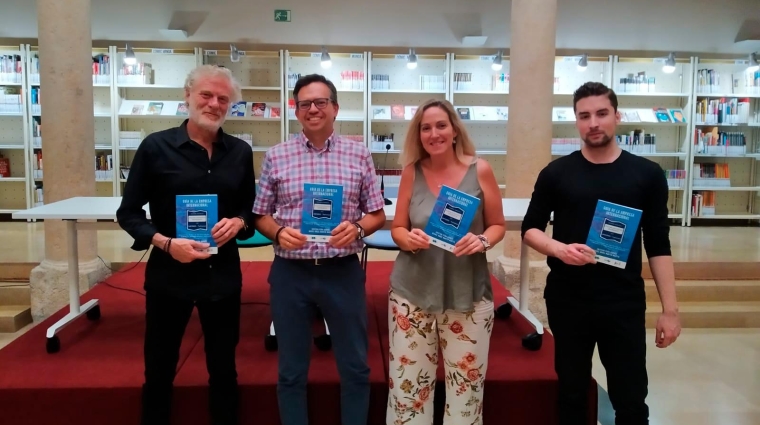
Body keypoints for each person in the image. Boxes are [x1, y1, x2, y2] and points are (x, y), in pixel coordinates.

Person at [520, 81, 682, 425]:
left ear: (617, 116)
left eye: (601, 113)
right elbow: (530, 229)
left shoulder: (647, 175)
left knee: (631, 397)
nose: (593, 122)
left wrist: (670, 310)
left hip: (622, 301)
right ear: (576, 121)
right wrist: (559, 249)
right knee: (572, 393)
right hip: (568, 300)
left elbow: (658, 244)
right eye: (584, 116)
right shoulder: (556, 173)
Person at [116, 64, 256, 425]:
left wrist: (239, 221)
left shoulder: (240, 152)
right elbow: (128, 213)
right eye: (206, 95)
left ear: (231, 106)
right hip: (169, 276)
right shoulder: (155, 147)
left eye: (223, 98)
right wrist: (164, 243)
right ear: (188, 96)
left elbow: (249, 209)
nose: (214, 103)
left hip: (221, 275)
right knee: (160, 369)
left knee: (224, 369)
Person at [252, 73, 386, 425]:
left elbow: (376, 214)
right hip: (290, 273)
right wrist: (278, 233)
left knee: (355, 366)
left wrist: (357, 228)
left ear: (335, 108)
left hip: (341, 271)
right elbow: (260, 215)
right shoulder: (277, 156)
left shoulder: (359, 154)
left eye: (321, 102)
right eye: (305, 103)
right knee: (291, 370)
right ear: (296, 111)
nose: (313, 109)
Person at [386, 98, 505, 425]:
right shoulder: (411, 171)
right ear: (418, 134)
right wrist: (407, 238)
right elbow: (397, 227)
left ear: (454, 130)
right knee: (408, 391)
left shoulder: (480, 169)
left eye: (441, 126)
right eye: (426, 128)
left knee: (466, 393)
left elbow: (498, 224)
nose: (433, 133)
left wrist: (481, 240)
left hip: (467, 294)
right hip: (412, 294)